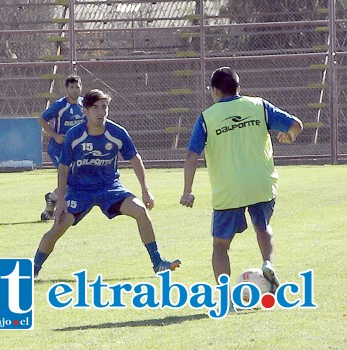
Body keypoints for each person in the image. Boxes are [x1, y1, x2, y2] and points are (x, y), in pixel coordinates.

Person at [180, 67, 303, 295]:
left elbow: (191, 156)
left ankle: (226, 296)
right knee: (263, 227)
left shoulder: (207, 118)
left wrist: (187, 190)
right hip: (261, 183)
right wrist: (290, 135)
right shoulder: (259, 106)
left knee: (220, 245)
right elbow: (296, 124)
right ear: (239, 88)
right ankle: (268, 262)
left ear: (214, 91)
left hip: (229, 189)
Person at [33, 89, 181, 278]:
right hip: (79, 190)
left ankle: (157, 263)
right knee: (58, 228)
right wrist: (60, 199)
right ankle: (33, 270)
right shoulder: (74, 135)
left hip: (110, 189)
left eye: (104, 107)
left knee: (141, 211)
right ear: (85, 111)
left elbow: (135, 159)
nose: (100, 112)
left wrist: (146, 190)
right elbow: (63, 168)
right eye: (95, 108)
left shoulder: (117, 133)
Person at [38, 74, 85, 221]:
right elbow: (41, 119)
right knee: (68, 177)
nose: (75, 90)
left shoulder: (84, 104)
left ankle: (52, 199)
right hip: (58, 148)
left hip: (76, 150)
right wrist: (55, 135)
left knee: (75, 179)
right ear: (66, 89)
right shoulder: (60, 105)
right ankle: (56, 202)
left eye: (77, 87)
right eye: (71, 87)